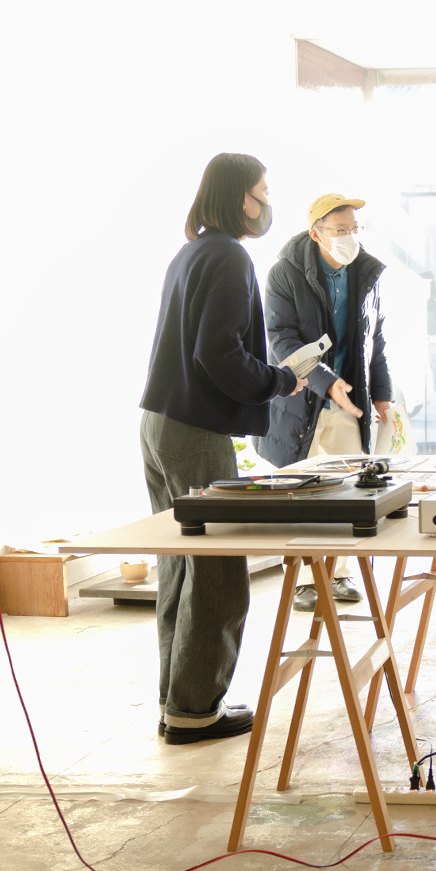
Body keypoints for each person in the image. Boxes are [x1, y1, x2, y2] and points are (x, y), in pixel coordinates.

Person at [140, 153, 308, 744]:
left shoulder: (190, 253)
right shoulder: (230, 257)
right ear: (241, 197)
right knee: (217, 574)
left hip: (159, 424)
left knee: (180, 568)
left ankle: (178, 702)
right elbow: (219, 353)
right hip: (194, 431)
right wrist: (280, 380)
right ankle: (194, 711)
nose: (267, 203)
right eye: (263, 191)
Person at [254, 192, 381, 613]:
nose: (350, 237)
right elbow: (282, 340)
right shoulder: (284, 274)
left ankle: (340, 572)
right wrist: (326, 382)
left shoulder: (366, 272)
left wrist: (382, 393)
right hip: (300, 400)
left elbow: (375, 340)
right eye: (340, 230)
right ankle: (304, 580)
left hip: (348, 400)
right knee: (301, 494)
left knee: (350, 490)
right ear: (316, 233)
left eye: (354, 229)